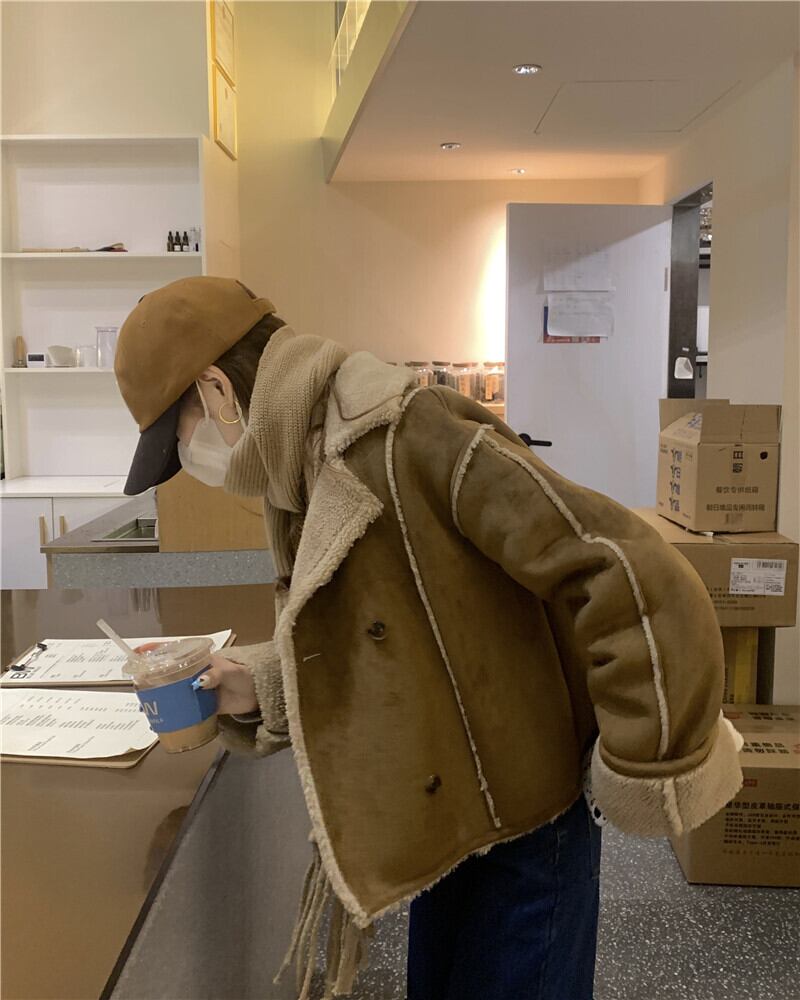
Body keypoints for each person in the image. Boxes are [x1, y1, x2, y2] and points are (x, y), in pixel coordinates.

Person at [116, 276, 744, 1000]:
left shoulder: (410, 433)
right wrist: (257, 683)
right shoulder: (308, 467)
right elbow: (386, 634)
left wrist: (642, 761)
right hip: (447, 813)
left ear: (218, 389)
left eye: (180, 437)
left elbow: (625, 568)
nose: (188, 461)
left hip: (528, 820)